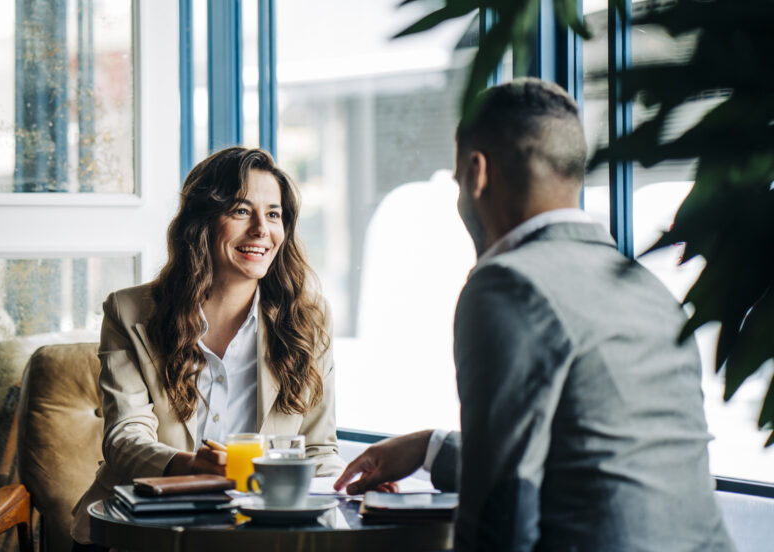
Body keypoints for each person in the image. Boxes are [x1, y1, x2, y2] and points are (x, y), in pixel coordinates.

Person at [334, 78, 734, 551]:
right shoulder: (644, 287)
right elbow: (592, 466)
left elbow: (500, 511)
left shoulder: (507, 283)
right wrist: (430, 448)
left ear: (477, 172)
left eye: (459, 181)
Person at [71, 147, 344, 547]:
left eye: (273, 214)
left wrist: (355, 488)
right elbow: (124, 439)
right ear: (202, 221)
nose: (261, 230)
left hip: (255, 536)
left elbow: (319, 449)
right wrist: (189, 465)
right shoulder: (129, 312)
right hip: (140, 531)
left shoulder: (309, 321)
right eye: (240, 211)